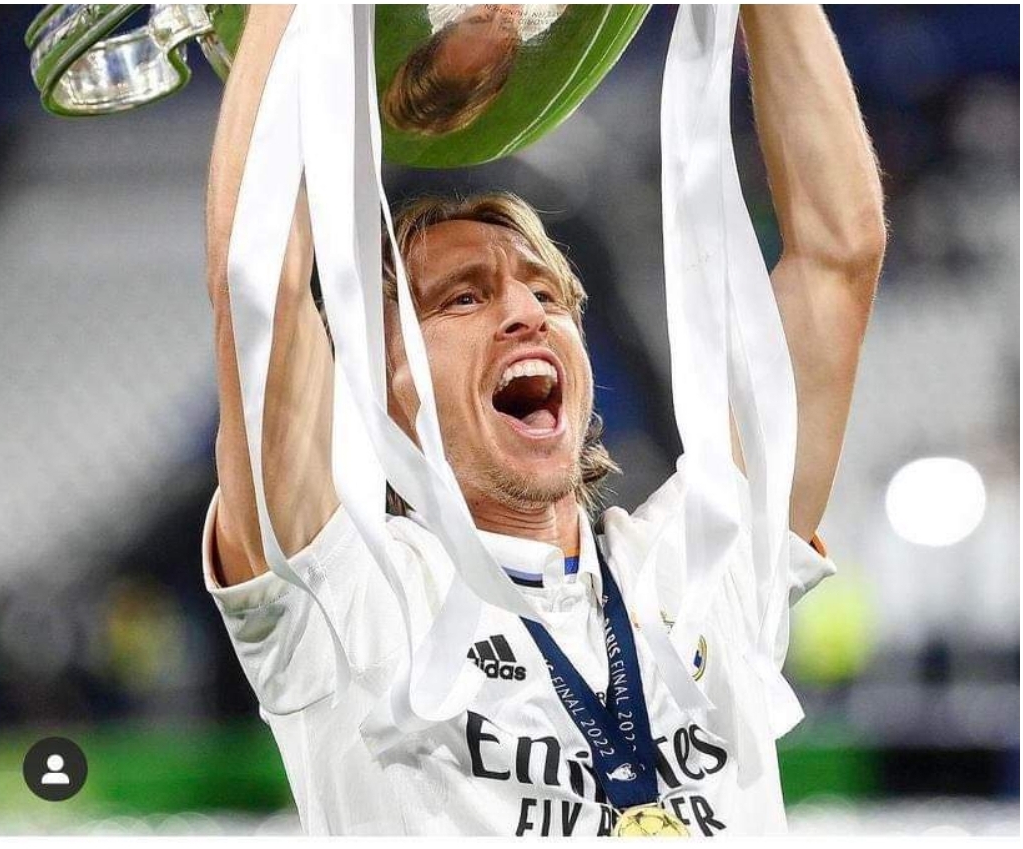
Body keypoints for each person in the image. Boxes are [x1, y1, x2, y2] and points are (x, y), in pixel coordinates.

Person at [204, 4, 885, 836]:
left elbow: (837, 255)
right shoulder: (348, 597)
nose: (526, 313)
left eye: (546, 292)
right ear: (376, 390)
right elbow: (258, 285)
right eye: (463, 298)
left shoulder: (702, 567)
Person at [381, 4, 567, 136]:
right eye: (506, 26)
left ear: (449, 23)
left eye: (479, 19)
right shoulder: (540, 16)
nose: (503, 8)